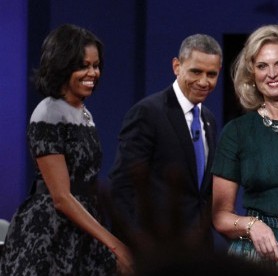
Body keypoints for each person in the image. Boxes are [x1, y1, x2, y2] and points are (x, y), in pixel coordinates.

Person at [0, 24, 133, 275]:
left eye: (96, 65)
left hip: (83, 227)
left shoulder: (84, 113)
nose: (92, 73)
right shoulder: (48, 112)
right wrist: (113, 244)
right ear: (62, 67)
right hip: (49, 233)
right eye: (83, 65)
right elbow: (61, 197)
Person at [211, 24, 278, 274]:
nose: (272, 74)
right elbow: (219, 216)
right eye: (262, 66)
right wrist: (251, 225)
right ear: (252, 75)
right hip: (256, 255)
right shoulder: (237, 132)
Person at [109, 34, 222, 252]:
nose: (204, 82)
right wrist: (128, 247)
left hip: (198, 250)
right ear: (177, 66)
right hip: (155, 249)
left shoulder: (209, 119)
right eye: (196, 71)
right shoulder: (148, 113)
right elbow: (122, 185)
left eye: (212, 74)